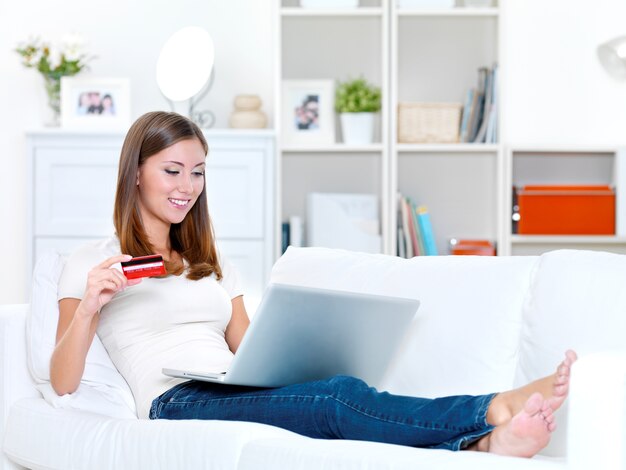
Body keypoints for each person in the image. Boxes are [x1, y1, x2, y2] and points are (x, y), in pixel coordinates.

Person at [50, 111, 577, 457]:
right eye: (173, 171)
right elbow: (63, 380)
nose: (187, 186)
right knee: (337, 399)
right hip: (175, 400)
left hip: (231, 386)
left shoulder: (210, 262)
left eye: (198, 172)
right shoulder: (92, 262)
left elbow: (248, 349)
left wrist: (301, 352)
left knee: (336, 396)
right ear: (136, 172)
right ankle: (492, 408)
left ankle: (482, 448)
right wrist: (90, 308)